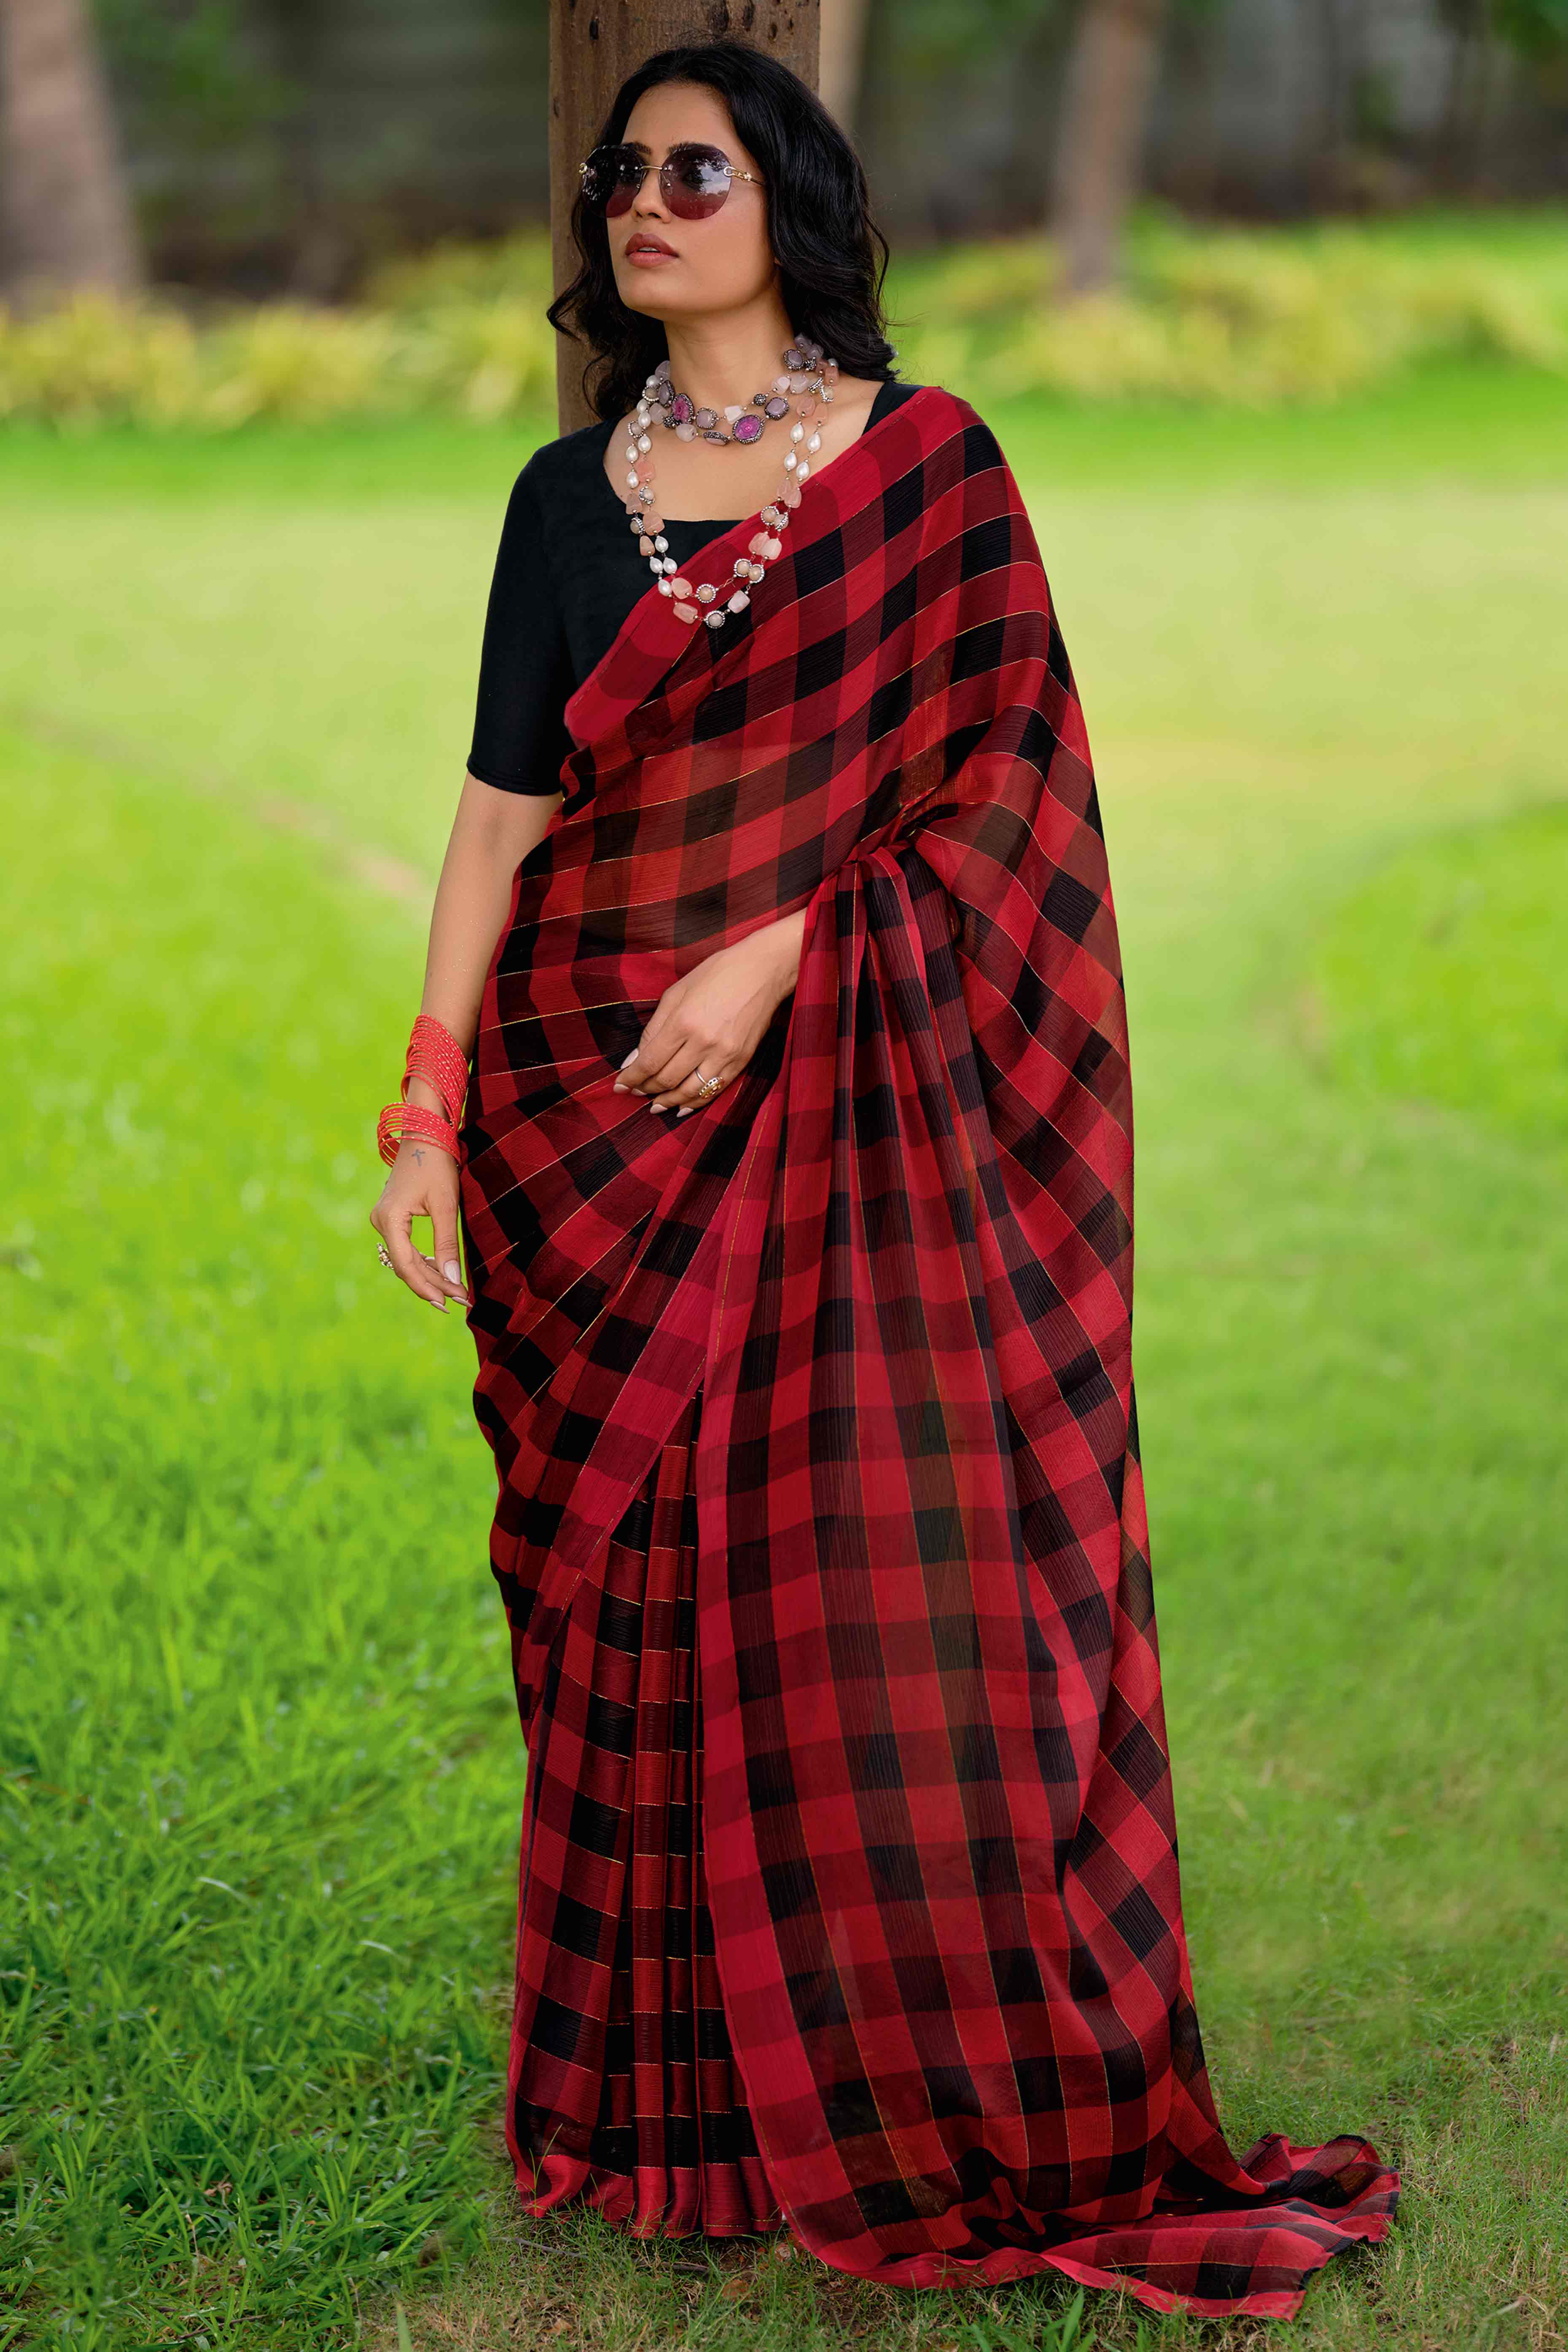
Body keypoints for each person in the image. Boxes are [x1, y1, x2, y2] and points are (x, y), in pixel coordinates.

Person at [368, 36, 1399, 2322]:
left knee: (882, 1593)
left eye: (695, 170)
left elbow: (1010, 812)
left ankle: (933, 2074)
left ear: (790, 207)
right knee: (633, 1608)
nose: (645, 203)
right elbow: (499, 810)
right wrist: (428, 1094)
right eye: (621, 176)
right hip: (587, 1122)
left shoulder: (928, 479)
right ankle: (677, 2109)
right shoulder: (568, 500)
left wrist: (789, 946)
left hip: (855, 1112)